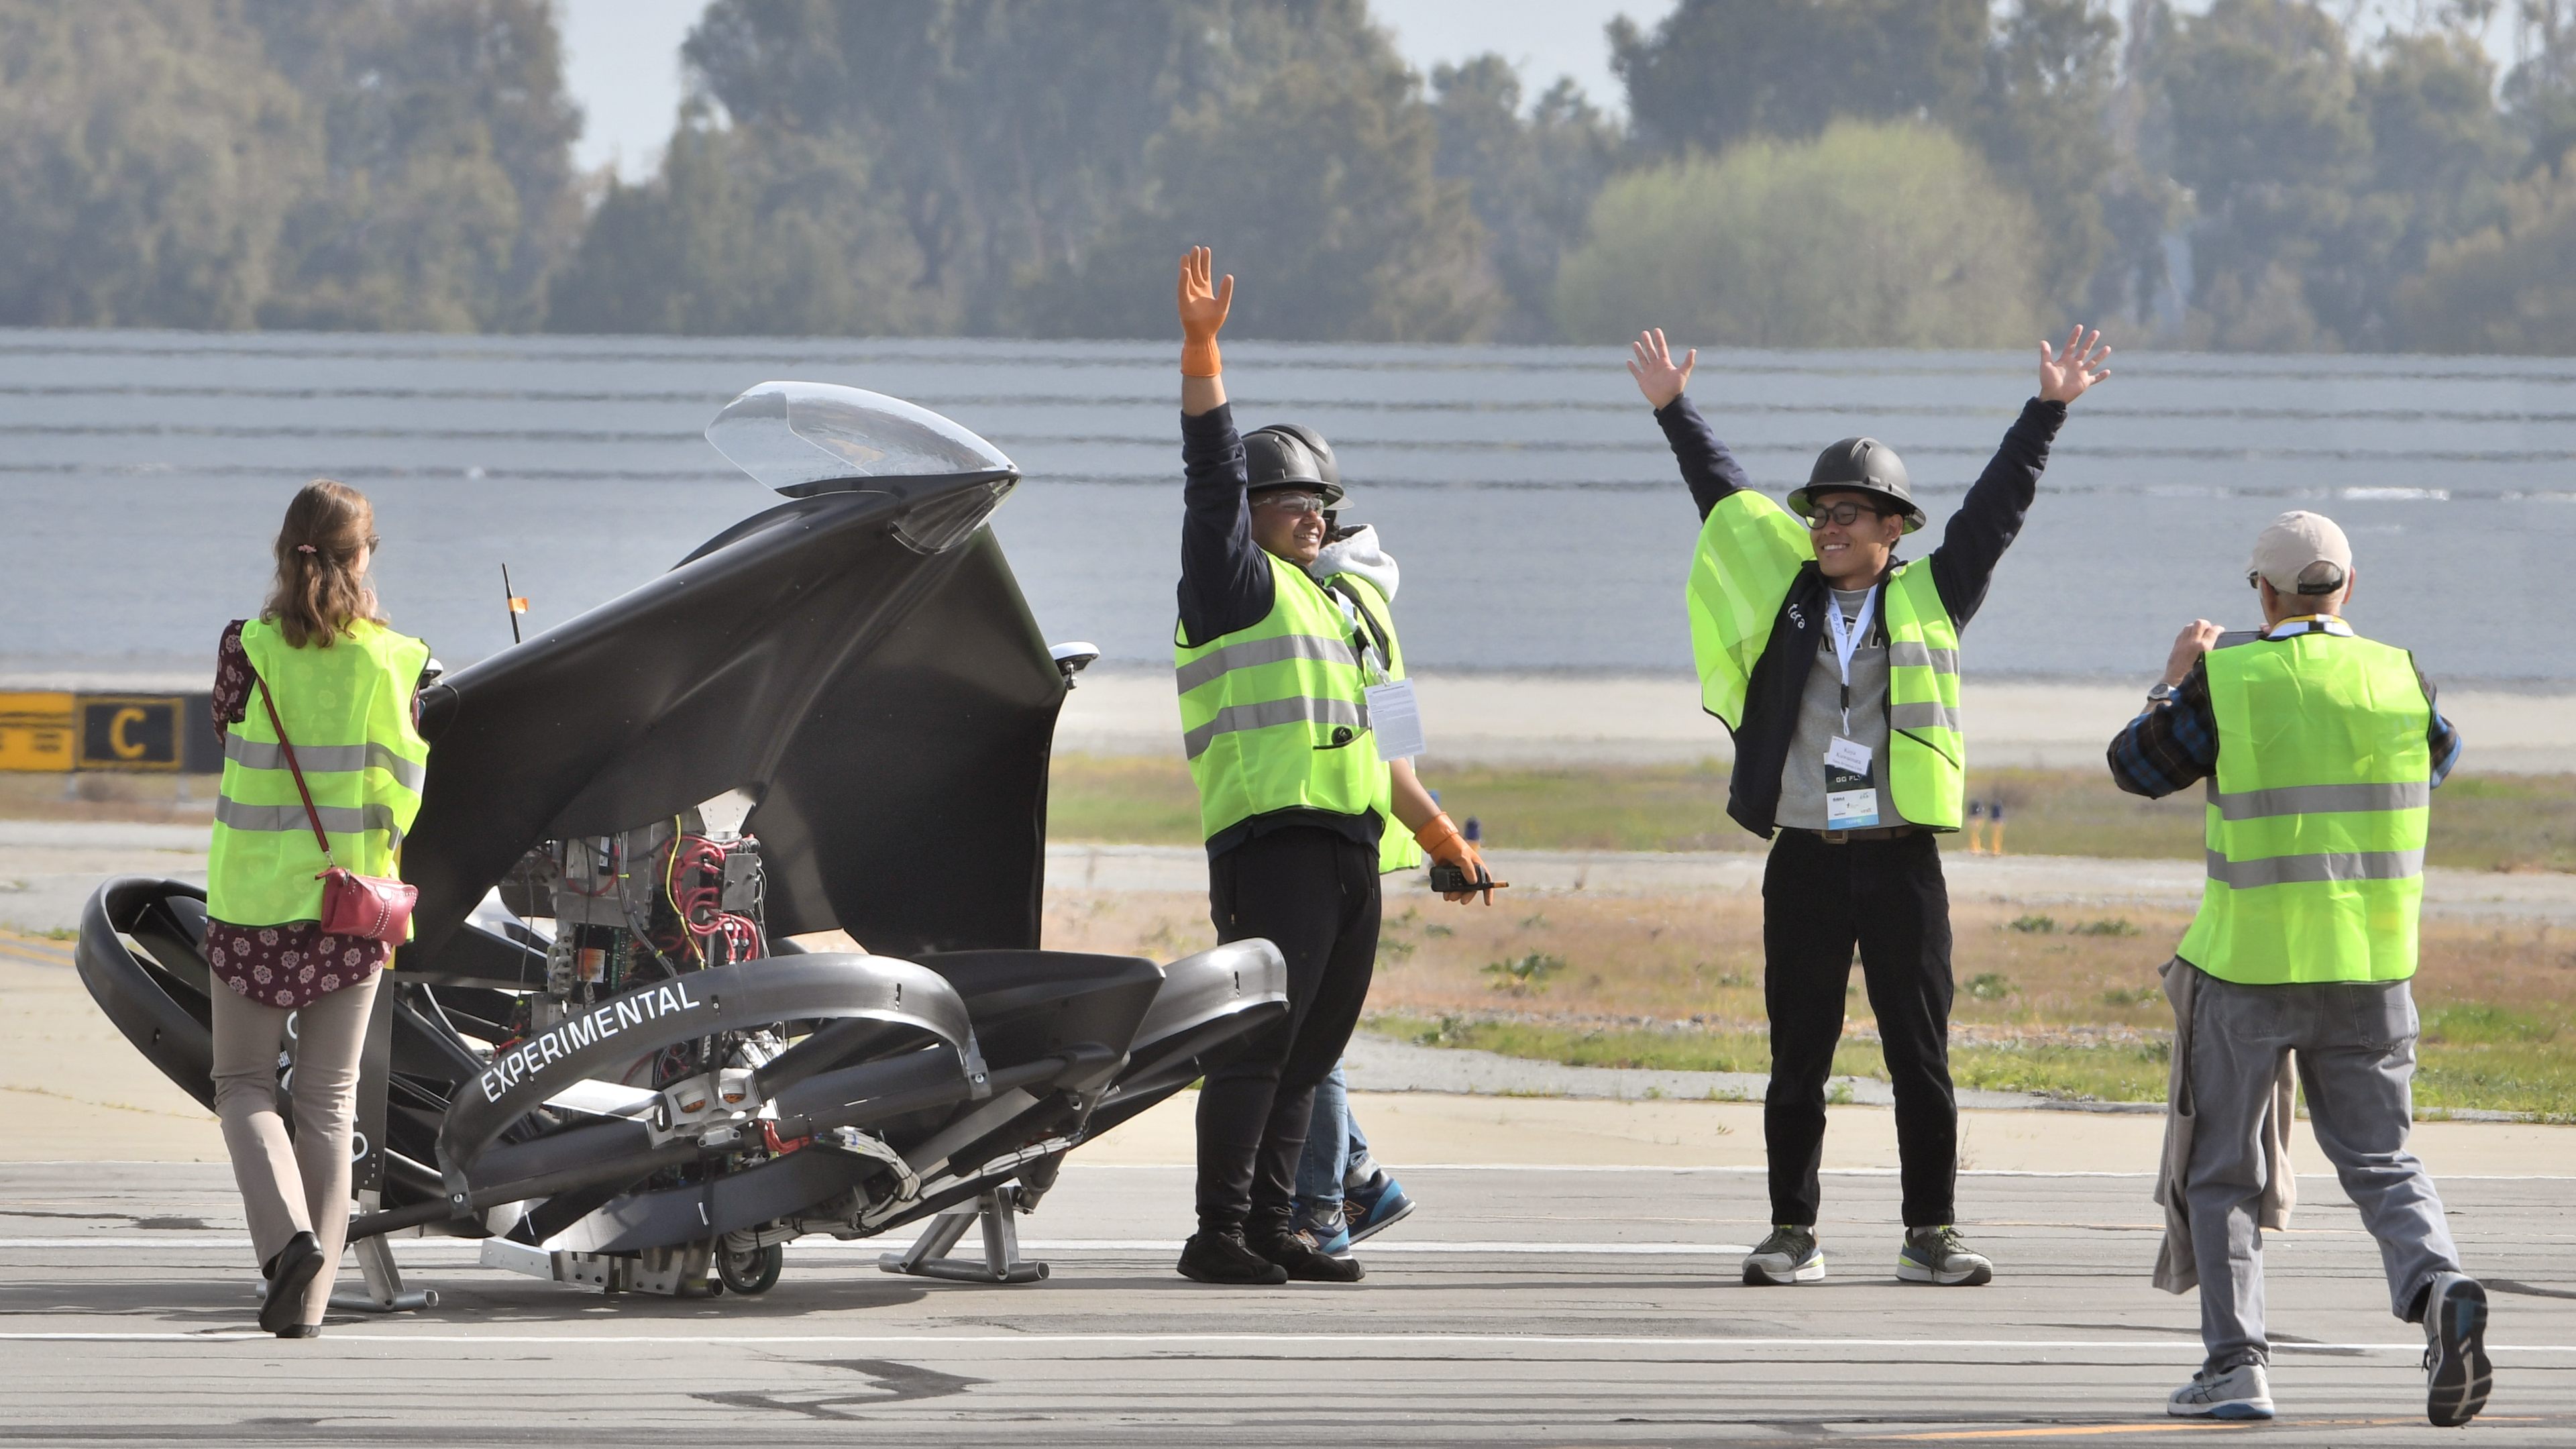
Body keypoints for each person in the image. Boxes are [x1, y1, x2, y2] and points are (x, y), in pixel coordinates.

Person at [1629, 323, 2111, 1289]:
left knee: (1919, 1056)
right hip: (1806, 856)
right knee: (1795, 1058)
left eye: (1851, 513)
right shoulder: (1788, 591)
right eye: (1822, 513)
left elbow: (1995, 510)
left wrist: (2046, 409)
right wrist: (1674, 412)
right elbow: (1725, 499)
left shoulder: (1936, 591)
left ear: (1895, 528)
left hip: (1899, 860)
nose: (1829, 527)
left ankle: (1931, 1231)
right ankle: (1790, 1232)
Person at [2106, 511, 2488, 1427]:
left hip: (2248, 965)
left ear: (2264, 595)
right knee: (2382, 1158)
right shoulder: (2401, 676)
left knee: (2223, 1174)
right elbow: (2442, 757)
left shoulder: (2228, 677)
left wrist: (2170, 686)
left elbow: (2138, 769)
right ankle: (2438, 1288)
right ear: (2350, 589)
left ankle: (2237, 1364)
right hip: (2371, 966)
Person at [1171, 246, 1489, 1285]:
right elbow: (1210, 478)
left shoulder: (1359, 609)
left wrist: (1439, 835)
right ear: (1252, 513)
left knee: (1309, 1053)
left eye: (1322, 500)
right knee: (1258, 1043)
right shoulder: (1235, 585)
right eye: (1290, 499)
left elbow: (1396, 746)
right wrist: (1203, 355)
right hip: (1273, 840)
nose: (1313, 513)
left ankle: (1281, 1225)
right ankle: (1218, 1231)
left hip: (1355, 849)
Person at [204, 480, 432, 1338]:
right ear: (363, 555)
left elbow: (229, 738)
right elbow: (406, 793)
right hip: (353, 906)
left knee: (244, 1088)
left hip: (252, 901)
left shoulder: (247, 648)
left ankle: (286, 1240)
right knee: (329, 1105)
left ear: (285, 551)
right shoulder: (398, 659)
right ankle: (310, 1301)